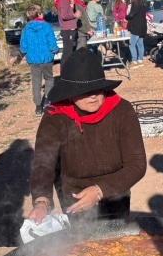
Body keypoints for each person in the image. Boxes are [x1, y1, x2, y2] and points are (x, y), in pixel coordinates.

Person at [28, 48, 146, 223]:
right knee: (83, 245)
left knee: (116, 243)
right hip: (74, 195)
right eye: (83, 90)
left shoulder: (122, 110)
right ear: (69, 93)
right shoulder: (56, 116)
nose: (92, 95)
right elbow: (43, 164)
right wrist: (41, 201)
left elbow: (137, 164)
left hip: (115, 191)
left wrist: (100, 191)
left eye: (97, 89)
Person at [20, 4, 59, 117]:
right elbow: (52, 42)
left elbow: (23, 46)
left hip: (33, 59)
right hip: (46, 58)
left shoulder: (26, 28)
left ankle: (38, 106)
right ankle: (47, 100)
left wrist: (28, 52)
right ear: (40, 14)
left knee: (36, 83)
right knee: (49, 79)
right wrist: (55, 50)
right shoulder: (46, 26)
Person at [55, 0, 82, 70]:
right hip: (67, 30)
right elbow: (64, 15)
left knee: (69, 52)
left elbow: (67, 10)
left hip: (69, 28)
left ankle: (68, 72)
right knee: (67, 53)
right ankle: (64, 74)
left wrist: (72, 2)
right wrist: (75, 15)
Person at [126, 0, 147, 67]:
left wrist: (126, 17)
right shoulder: (143, 1)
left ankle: (134, 60)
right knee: (140, 43)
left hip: (136, 25)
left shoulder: (136, 2)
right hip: (143, 25)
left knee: (132, 43)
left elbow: (132, 14)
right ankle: (140, 59)